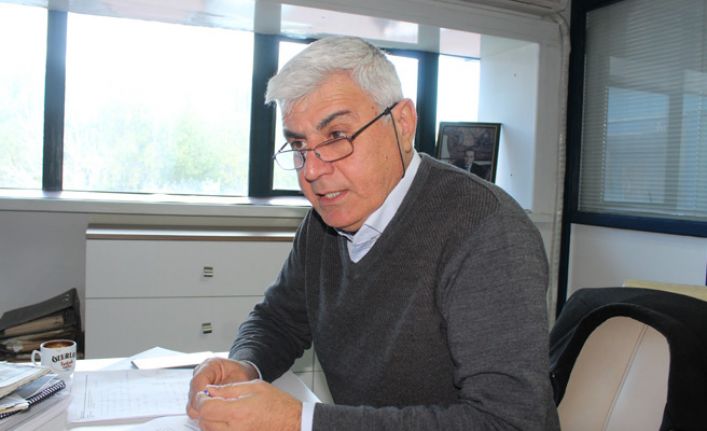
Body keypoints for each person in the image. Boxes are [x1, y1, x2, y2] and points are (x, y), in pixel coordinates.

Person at [187, 36, 559, 431]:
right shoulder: (324, 222)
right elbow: (279, 320)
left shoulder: (487, 230)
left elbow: (510, 422)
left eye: (336, 137)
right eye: (298, 145)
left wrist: (300, 421)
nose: (311, 171)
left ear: (402, 124)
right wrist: (245, 364)